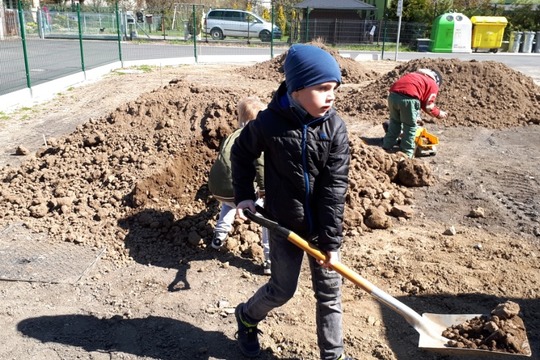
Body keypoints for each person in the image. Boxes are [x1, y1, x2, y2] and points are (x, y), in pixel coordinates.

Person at [231, 44, 352, 360]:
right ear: (297, 89)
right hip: (283, 225)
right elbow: (241, 153)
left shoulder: (335, 129)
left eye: (334, 89)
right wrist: (244, 195)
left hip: (322, 229)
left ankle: (333, 356)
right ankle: (246, 316)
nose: (331, 96)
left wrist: (332, 244)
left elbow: (334, 190)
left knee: (329, 294)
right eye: (322, 88)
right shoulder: (269, 123)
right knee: (282, 290)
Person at [207, 96, 271, 275]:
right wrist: (264, 189)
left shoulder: (231, 136)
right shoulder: (254, 138)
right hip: (237, 192)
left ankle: (218, 238)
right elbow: (260, 165)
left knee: (228, 204)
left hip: (217, 188)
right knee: (267, 213)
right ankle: (270, 260)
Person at [382, 68, 448, 158]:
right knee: (410, 127)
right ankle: (407, 154)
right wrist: (439, 113)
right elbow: (428, 106)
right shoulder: (432, 83)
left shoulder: (414, 75)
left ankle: (386, 146)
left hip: (392, 97)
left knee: (395, 123)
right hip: (408, 100)